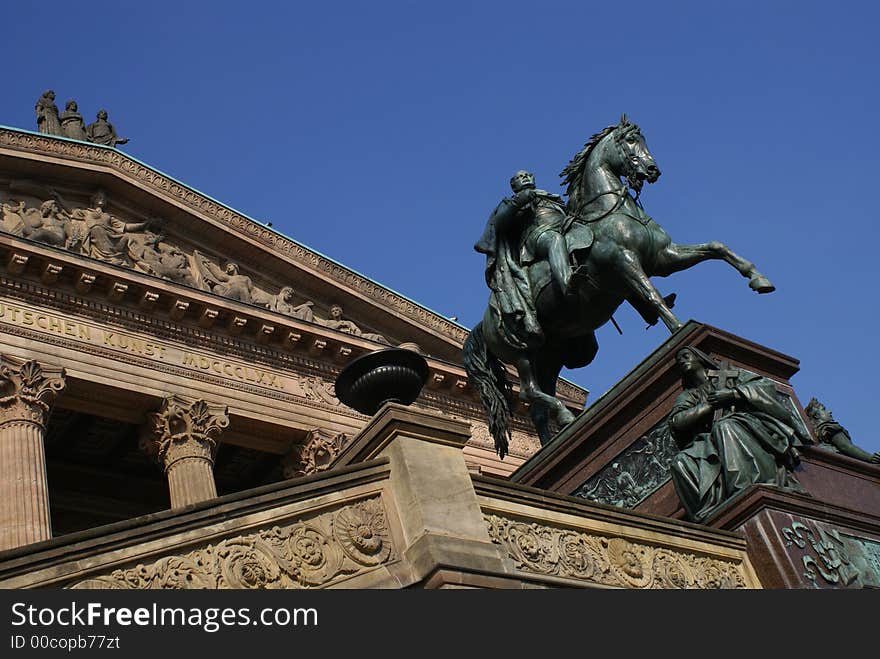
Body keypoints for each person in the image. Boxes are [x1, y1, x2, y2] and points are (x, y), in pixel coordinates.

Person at [667, 346, 809, 522]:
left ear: (699, 358)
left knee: (724, 426)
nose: (682, 360)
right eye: (678, 360)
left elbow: (764, 387)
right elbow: (676, 421)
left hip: (749, 424)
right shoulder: (689, 395)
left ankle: (742, 487)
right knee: (680, 461)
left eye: (686, 356)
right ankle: (709, 512)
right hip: (711, 441)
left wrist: (733, 394)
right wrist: (708, 406)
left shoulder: (729, 374)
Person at [474, 170, 578, 349]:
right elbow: (500, 222)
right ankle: (568, 284)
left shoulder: (549, 197)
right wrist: (522, 198)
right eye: (520, 177)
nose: (526, 178)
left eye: (528, 175)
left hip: (563, 230)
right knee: (555, 240)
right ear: (513, 185)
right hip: (535, 239)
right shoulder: (511, 202)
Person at [804, 398, 880, 464]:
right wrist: (871, 458)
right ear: (817, 416)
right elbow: (845, 446)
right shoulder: (830, 427)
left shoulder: (818, 432)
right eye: (823, 409)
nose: (829, 412)